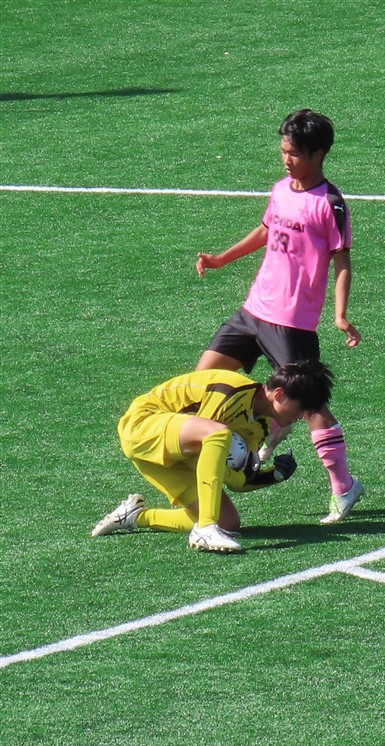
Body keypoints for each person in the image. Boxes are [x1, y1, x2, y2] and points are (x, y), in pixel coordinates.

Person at [195, 109, 364, 524]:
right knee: (200, 383)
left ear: (319, 154)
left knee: (311, 406)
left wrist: (340, 314)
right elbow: (267, 231)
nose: (287, 159)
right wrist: (221, 259)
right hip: (252, 311)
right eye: (284, 151)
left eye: (295, 153)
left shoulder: (330, 204)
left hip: (292, 322)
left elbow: (342, 261)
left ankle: (344, 486)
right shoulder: (280, 189)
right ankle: (229, 453)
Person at [91, 360, 334, 553]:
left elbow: (237, 479)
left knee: (228, 523)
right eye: (302, 408)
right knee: (217, 434)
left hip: (170, 455)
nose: (302, 416)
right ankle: (205, 528)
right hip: (142, 428)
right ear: (278, 394)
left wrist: (273, 475)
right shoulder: (230, 391)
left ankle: (136, 516)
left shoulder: (260, 427)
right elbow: (209, 446)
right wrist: (233, 467)